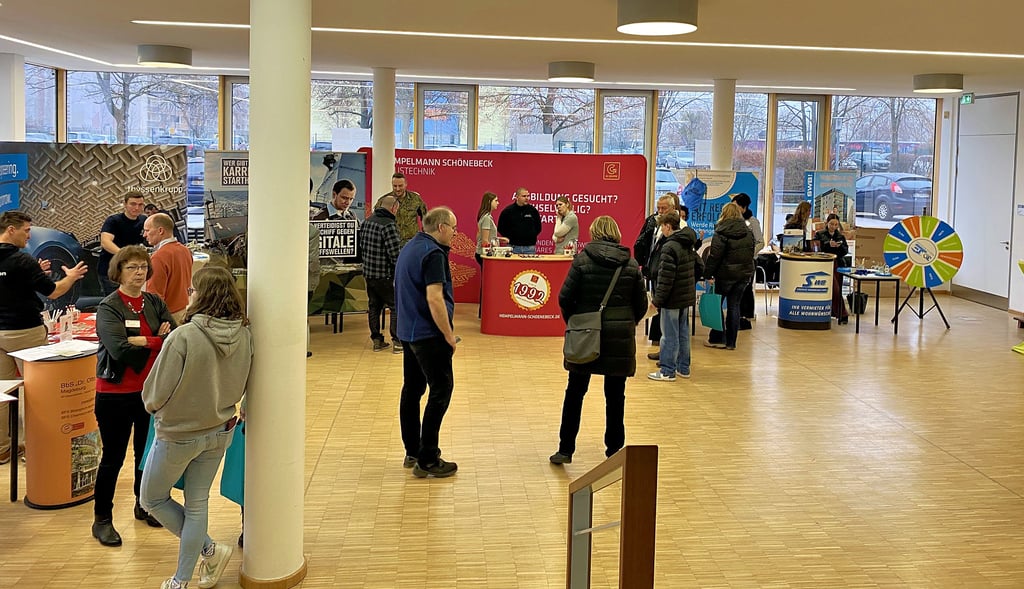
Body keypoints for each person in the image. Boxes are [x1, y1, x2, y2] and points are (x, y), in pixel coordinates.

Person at [141, 266, 253, 589]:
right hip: (220, 431)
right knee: (197, 503)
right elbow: (249, 383)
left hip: (177, 435)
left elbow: (153, 394)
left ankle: (208, 550)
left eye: (192, 290)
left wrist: (158, 410)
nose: (188, 296)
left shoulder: (183, 337)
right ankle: (182, 578)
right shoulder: (246, 335)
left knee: (152, 499)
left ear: (200, 295)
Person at [92, 245, 175, 547]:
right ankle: (102, 519)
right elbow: (118, 349)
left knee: (147, 455)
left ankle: (143, 505)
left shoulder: (153, 302)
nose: (139, 272)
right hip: (114, 394)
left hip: (150, 393)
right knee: (113, 459)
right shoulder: (109, 307)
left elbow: (175, 337)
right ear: (119, 271)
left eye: (143, 267)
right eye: (132, 267)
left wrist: (146, 340)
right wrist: (158, 340)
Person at [550, 216, 647, 464]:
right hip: (619, 339)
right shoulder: (630, 265)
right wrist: (627, 323)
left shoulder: (581, 261)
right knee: (616, 397)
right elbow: (641, 305)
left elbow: (564, 297)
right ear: (616, 233)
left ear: (594, 233)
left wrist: (577, 320)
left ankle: (565, 449)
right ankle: (614, 451)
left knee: (575, 392)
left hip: (585, 336)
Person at [0, 211, 88, 465]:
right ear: (11, 230)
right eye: (26, 230)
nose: (29, 236)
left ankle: (3, 448)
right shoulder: (22, 261)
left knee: (3, 391)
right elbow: (53, 291)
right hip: (25, 332)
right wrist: (70, 277)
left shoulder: (24, 264)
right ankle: (33, 447)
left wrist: (33, 273)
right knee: (35, 392)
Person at [395, 207, 459, 478]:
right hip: (428, 334)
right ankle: (429, 458)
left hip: (408, 332)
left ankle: (413, 449)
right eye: (454, 228)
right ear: (442, 227)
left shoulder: (412, 246)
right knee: (441, 389)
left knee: (412, 390)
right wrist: (447, 335)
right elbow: (435, 297)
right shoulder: (433, 254)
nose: (455, 233)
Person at [647, 210, 699, 382]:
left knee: (668, 335)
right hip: (685, 296)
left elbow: (665, 278)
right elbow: (700, 266)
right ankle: (683, 368)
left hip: (672, 298)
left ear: (668, 226)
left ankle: (667, 370)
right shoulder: (688, 242)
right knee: (683, 333)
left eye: (662, 226)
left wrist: (657, 301)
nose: (661, 229)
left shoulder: (669, 246)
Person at [703, 203, 755, 351]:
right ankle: (731, 342)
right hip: (743, 275)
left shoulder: (720, 232)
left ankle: (718, 338)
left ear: (723, 214)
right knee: (734, 306)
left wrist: (707, 273)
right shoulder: (748, 232)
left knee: (717, 305)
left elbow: (714, 256)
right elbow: (750, 254)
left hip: (724, 275)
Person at [358, 195, 402, 353]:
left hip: (369, 275)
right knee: (395, 306)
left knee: (374, 306)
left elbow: (361, 248)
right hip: (385, 276)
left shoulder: (367, 222)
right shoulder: (389, 225)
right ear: (394, 208)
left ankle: (376, 340)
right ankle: (397, 342)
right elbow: (395, 254)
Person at [640, 193, 680, 358]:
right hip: (656, 272)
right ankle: (662, 347)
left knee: (669, 318)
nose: (660, 211)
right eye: (659, 208)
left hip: (669, 276)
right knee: (661, 313)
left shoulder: (679, 228)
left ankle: (668, 358)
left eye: (664, 208)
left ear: (673, 208)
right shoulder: (655, 223)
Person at [144, 213, 193, 325]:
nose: (144, 235)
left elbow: (155, 297)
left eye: (147, 230)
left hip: (168, 318)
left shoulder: (159, 257)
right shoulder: (185, 250)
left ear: (160, 231)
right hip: (183, 312)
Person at [99, 192, 148, 295]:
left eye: (140, 205)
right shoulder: (113, 221)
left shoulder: (143, 220)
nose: (137, 208)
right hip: (111, 270)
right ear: (125, 204)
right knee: (114, 303)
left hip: (132, 270)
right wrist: (126, 255)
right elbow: (105, 242)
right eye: (133, 204)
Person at [731, 193, 764, 323]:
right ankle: (737, 314)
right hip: (736, 260)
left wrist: (749, 253)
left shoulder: (752, 222)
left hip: (749, 260)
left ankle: (746, 315)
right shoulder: (733, 222)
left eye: (736, 206)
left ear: (743, 207)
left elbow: (760, 242)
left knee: (746, 287)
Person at [816, 213, 851, 324]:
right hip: (824, 264)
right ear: (827, 223)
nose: (834, 226)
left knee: (837, 289)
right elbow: (816, 247)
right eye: (831, 224)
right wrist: (828, 244)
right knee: (833, 289)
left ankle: (838, 312)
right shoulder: (820, 234)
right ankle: (841, 313)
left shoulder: (840, 236)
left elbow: (845, 251)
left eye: (836, 224)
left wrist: (839, 246)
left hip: (838, 264)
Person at [375, 172, 427, 246]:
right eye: (395, 186)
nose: (397, 189)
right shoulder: (384, 200)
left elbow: (425, 216)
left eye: (400, 186)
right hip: (392, 242)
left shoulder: (415, 199)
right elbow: (376, 219)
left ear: (406, 184)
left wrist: (425, 235)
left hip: (411, 242)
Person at [497, 187, 542, 254]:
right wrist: (511, 238)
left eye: (528, 196)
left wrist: (530, 237)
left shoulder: (533, 211)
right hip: (512, 247)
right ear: (517, 197)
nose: (527, 198)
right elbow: (501, 228)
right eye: (524, 196)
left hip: (529, 248)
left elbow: (538, 228)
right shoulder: (508, 211)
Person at [475, 191, 501, 268]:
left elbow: (480, 236)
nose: (498, 203)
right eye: (496, 201)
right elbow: (485, 241)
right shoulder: (486, 218)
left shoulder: (485, 216)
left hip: (481, 253)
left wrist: (500, 239)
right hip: (484, 254)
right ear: (489, 202)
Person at [307, 222, 321, 358]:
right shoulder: (311, 232)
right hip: (305, 281)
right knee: (302, 317)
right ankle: (303, 347)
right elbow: (313, 260)